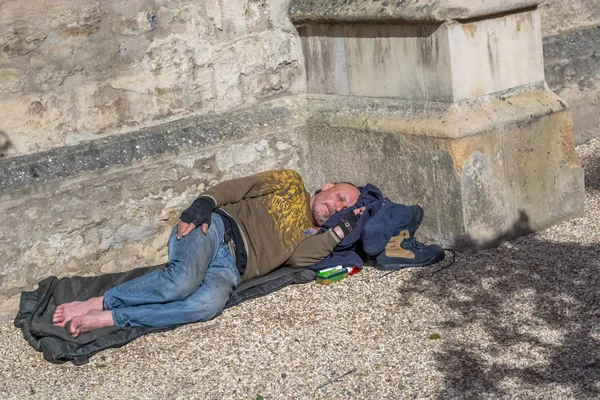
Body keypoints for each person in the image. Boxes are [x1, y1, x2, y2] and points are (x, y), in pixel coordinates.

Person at [52, 169, 365, 336]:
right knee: (180, 283)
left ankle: (110, 317)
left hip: (230, 272)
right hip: (216, 230)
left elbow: (298, 260)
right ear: (327, 186)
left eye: (344, 209)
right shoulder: (291, 183)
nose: (337, 207)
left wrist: (339, 231)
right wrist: (204, 203)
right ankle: (98, 300)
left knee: (207, 305)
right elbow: (238, 187)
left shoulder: (313, 235)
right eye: (339, 197)